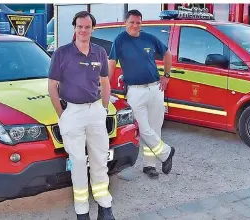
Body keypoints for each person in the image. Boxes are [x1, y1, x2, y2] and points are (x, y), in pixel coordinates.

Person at [48, 11, 114, 220]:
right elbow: (52, 86)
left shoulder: (100, 52)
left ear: (92, 29)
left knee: (100, 161)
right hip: (72, 112)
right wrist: (62, 114)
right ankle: (82, 212)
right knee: (77, 162)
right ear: (74, 28)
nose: (83, 30)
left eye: (87, 27)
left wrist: (103, 109)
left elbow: (105, 82)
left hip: (95, 111)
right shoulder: (62, 53)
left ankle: (105, 208)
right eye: (80, 27)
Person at [108, 9, 176, 179]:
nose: (135, 25)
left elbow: (167, 53)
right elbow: (111, 63)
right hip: (135, 91)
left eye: (138, 22)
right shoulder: (120, 40)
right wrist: (105, 87)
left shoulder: (149, 38)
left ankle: (149, 166)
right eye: (132, 22)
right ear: (126, 23)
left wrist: (167, 76)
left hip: (155, 89)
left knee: (154, 128)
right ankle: (166, 153)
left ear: (141, 23)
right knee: (143, 128)